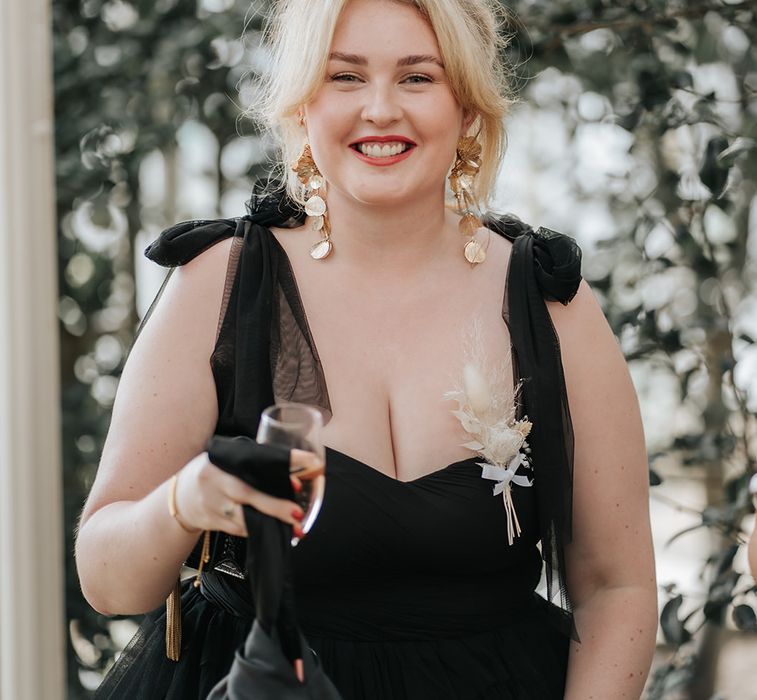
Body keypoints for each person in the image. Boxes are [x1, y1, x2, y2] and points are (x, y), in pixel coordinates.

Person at [74, 0, 658, 698]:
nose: (380, 110)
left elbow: (616, 587)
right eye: (345, 78)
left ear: (468, 109)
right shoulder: (217, 285)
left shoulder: (550, 304)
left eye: (417, 78)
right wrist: (182, 501)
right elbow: (108, 583)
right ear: (302, 108)